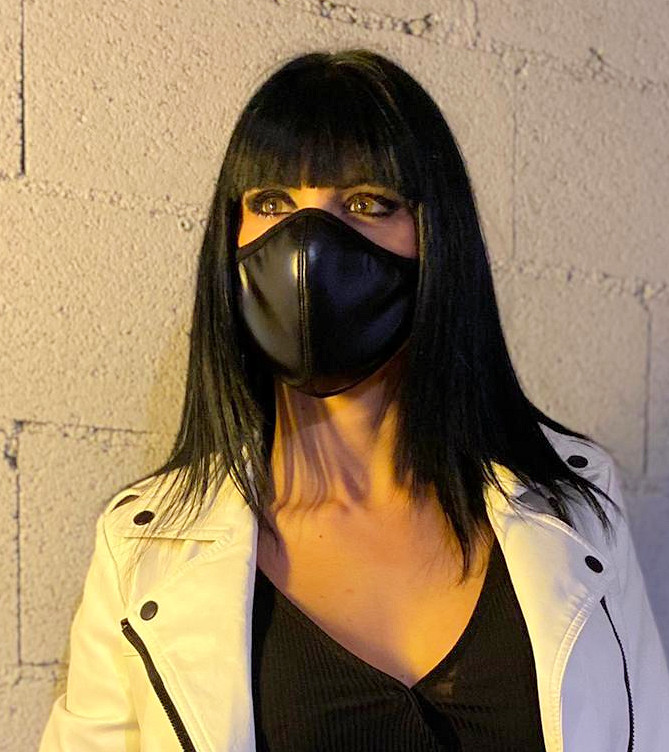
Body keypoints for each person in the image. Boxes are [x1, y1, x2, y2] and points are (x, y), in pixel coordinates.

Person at [39, 48, 669, 752]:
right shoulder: (143, 546)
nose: (309, 245)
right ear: (231, 237)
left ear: (436, 237)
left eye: (367, 203)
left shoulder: (575, 504)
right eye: (272, 203)